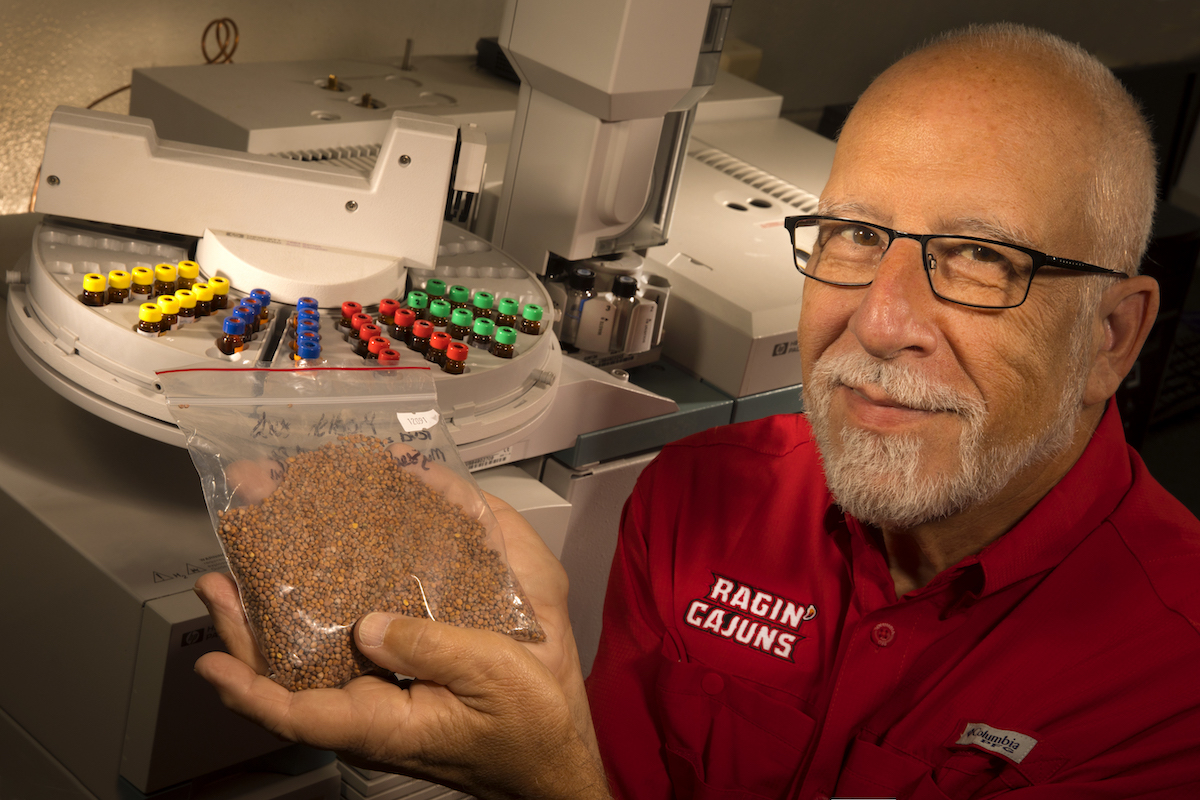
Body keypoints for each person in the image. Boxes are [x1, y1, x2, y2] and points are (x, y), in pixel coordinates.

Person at [195, 22, 1200, 799]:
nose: (882, 321)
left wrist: (547, 772)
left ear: (1111, 333)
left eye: (983, 257)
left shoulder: (1171, 685)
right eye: (855, 233)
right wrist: (455, 745)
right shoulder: (700, 498)